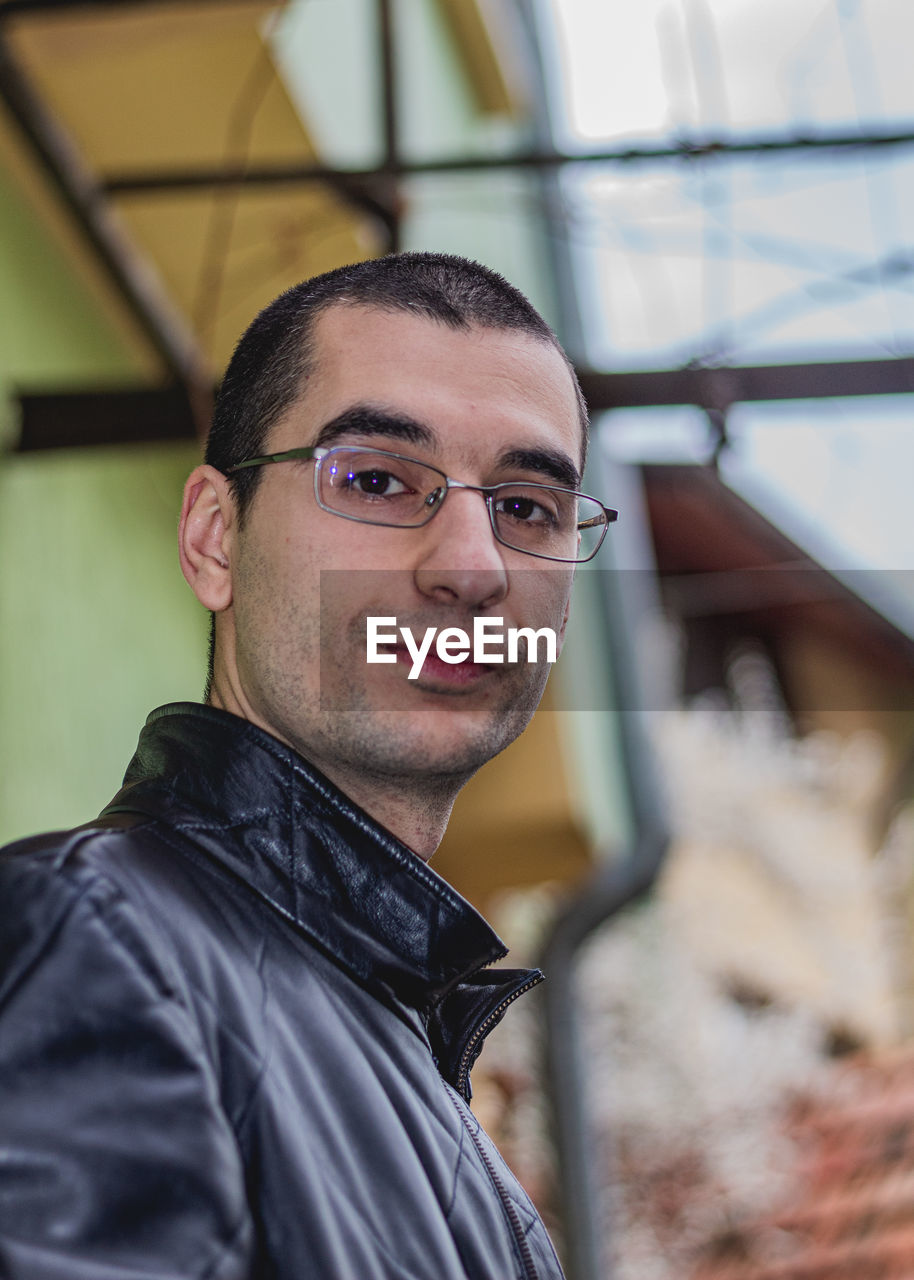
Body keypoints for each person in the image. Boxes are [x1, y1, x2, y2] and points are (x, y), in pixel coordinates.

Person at [0, 252, 615, 1279]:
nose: (472, 565)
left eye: (525, 507)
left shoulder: (450, 1128)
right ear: (213, 539)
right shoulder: (94, 943)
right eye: (376, 480)